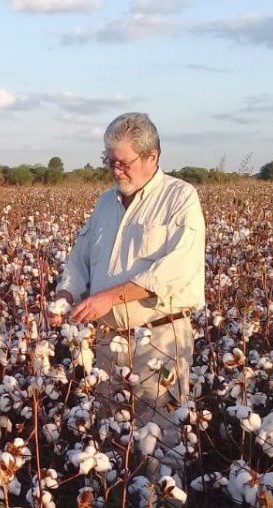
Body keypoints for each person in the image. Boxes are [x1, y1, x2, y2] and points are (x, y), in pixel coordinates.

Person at [49, 112, 205, 475]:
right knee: (113, 435)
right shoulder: (106, 203)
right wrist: (66, 295)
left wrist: (110, 297)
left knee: (161, 443)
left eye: (124, 162)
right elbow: (80, 259)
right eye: (110, 162)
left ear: (153, 157)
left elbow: (175, 269)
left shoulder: (180, 198)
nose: (116, 170)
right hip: (107, 341)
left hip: (160, 340)